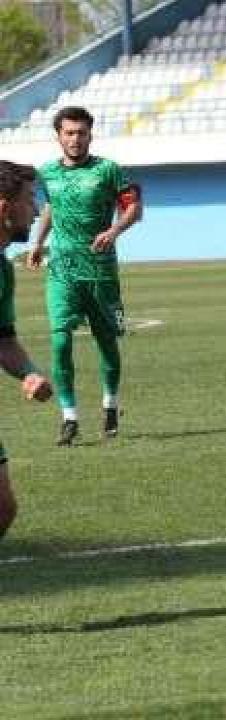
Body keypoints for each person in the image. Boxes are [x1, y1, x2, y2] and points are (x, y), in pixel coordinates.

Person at [27, 106, 142, 446]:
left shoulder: (108, 170)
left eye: (81, 133)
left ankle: (110, 404)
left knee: (106, 341)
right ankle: (69, 417)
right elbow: (51, 207)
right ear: (59, 136)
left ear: (90, 135)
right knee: (60, 340)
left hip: (100, 270)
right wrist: (38, 243)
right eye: (69, 133)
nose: (75, 139)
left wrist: (114, 231)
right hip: (61, 270)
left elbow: (133, 208)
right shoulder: (47, 172)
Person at [0, 161, 55, 541]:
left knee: (3, 509)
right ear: (4, 207)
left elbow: (3, 339)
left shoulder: (3, 270)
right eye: (29, 200)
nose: (36, 212)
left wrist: (29, 372)